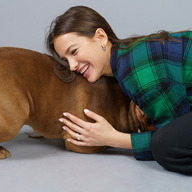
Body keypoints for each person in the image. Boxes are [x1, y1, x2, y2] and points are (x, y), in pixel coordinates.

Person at [46, 5, 192, 175]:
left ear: (101, 37)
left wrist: (111, 138)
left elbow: (175, 138)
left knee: (164, 146)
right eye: (66, 59)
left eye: (74, 51)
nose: (72, 66)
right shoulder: (129, 55)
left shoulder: (136, 67)